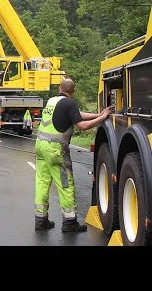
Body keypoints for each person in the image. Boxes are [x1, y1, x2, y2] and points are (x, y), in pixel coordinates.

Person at [34, 78, 113, 232]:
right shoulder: (70, 104)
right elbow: (81, 125)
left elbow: (76, 115)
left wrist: (98, 114)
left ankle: (40, 221)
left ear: (59, 88)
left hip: (40, 147)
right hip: (56, 151)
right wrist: (102, 118)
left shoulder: (52, 101)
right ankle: (69, 223)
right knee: (65, 185)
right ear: (73, 91)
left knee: (42, 184)